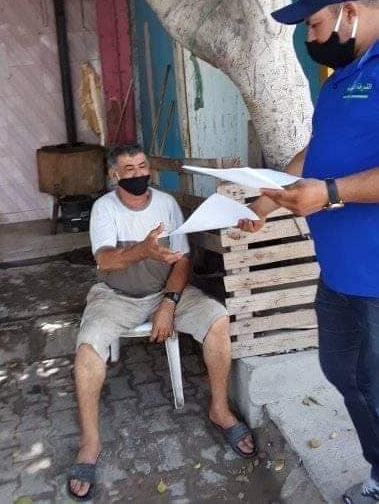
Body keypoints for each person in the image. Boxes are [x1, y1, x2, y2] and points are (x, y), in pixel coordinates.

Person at [238, 0, 379, 504]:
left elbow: (330, 180)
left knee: (374, 385)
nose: (311, 39)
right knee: (344, 372)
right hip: (340, 272)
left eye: (315, 25)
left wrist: (331, 193)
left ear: (349, 11)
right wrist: (266, 200)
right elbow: (316, 151)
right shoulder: (342, 78)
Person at [67, 144, 256, 501]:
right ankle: (90, 442)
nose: (138, 173)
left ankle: (219, 409)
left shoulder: (166, 204)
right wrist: (144, 249)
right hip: (116, 296)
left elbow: (182, 261)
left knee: (217, 318)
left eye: (142, 166)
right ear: (114, 175)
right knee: (88, 348)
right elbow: (105, 261)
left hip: (165, 292)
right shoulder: (104, 208)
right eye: (128, 168)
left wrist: (169, 303)